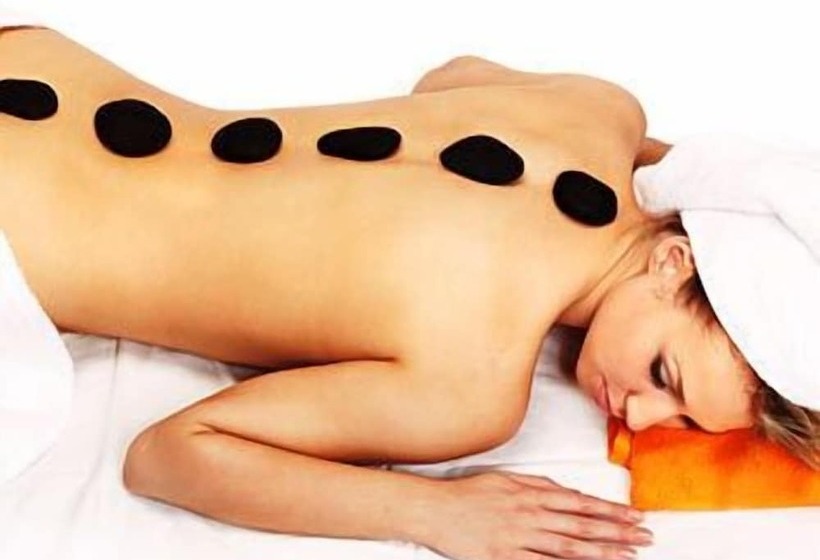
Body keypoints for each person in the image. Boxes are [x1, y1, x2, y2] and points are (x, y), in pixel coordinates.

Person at [1, 21, 816, 560]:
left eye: (679, 422)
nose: (639, 417)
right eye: (665, 375)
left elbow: (447, 77)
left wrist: (689, 179)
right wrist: (438, 512)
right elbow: (168, 456)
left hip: (38, 63)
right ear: (675, 260)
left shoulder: (599, 111)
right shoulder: (471, 385)